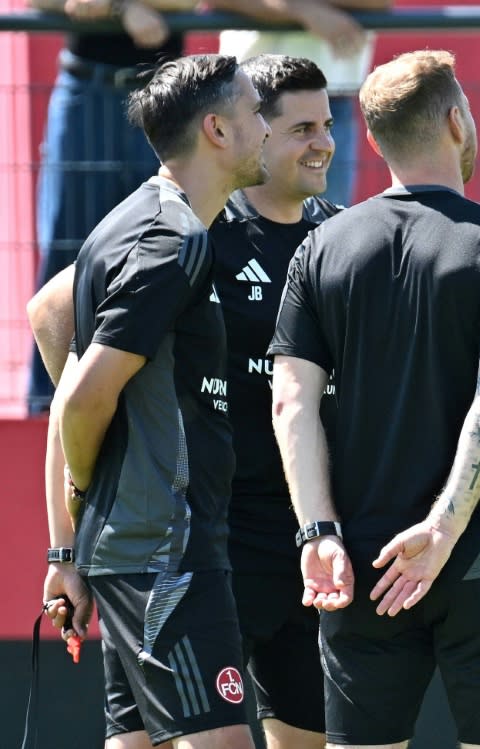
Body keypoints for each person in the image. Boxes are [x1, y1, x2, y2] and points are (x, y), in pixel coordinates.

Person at [28, 53, 339, 749]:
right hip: (168, 541)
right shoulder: (173, 240)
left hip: (175, 537)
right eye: (262, 116)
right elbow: (79, 397)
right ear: (217, 131)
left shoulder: (152, 219)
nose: (269, 130)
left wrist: (82, 532)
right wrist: (96, 489)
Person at [268, 49, 480, 748]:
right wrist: (443, 529)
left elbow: (290, 403)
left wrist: (319, 532)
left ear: (372, 140)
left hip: (360, 564)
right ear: (457, 121)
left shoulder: (319, 247)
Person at [212, 53, 341, 748]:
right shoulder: (202, 232)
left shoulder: (343, 234)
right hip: (219, 535)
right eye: (302, 128)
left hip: (315, 534)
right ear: (256, 133)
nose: (324, 141)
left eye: (327, 123)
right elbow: (57, 313)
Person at [26, 0, 197, 415]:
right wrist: (127, 10)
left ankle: (161, 396)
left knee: (170, 249)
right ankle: (49, 404)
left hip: (163, 100)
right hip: (87, 90)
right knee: (69, 251)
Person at [209, 0, 393, 206]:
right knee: (234, 218)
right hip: (247, 94)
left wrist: (299, 7)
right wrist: (303, 10)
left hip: (333, 94)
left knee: (325, 224)